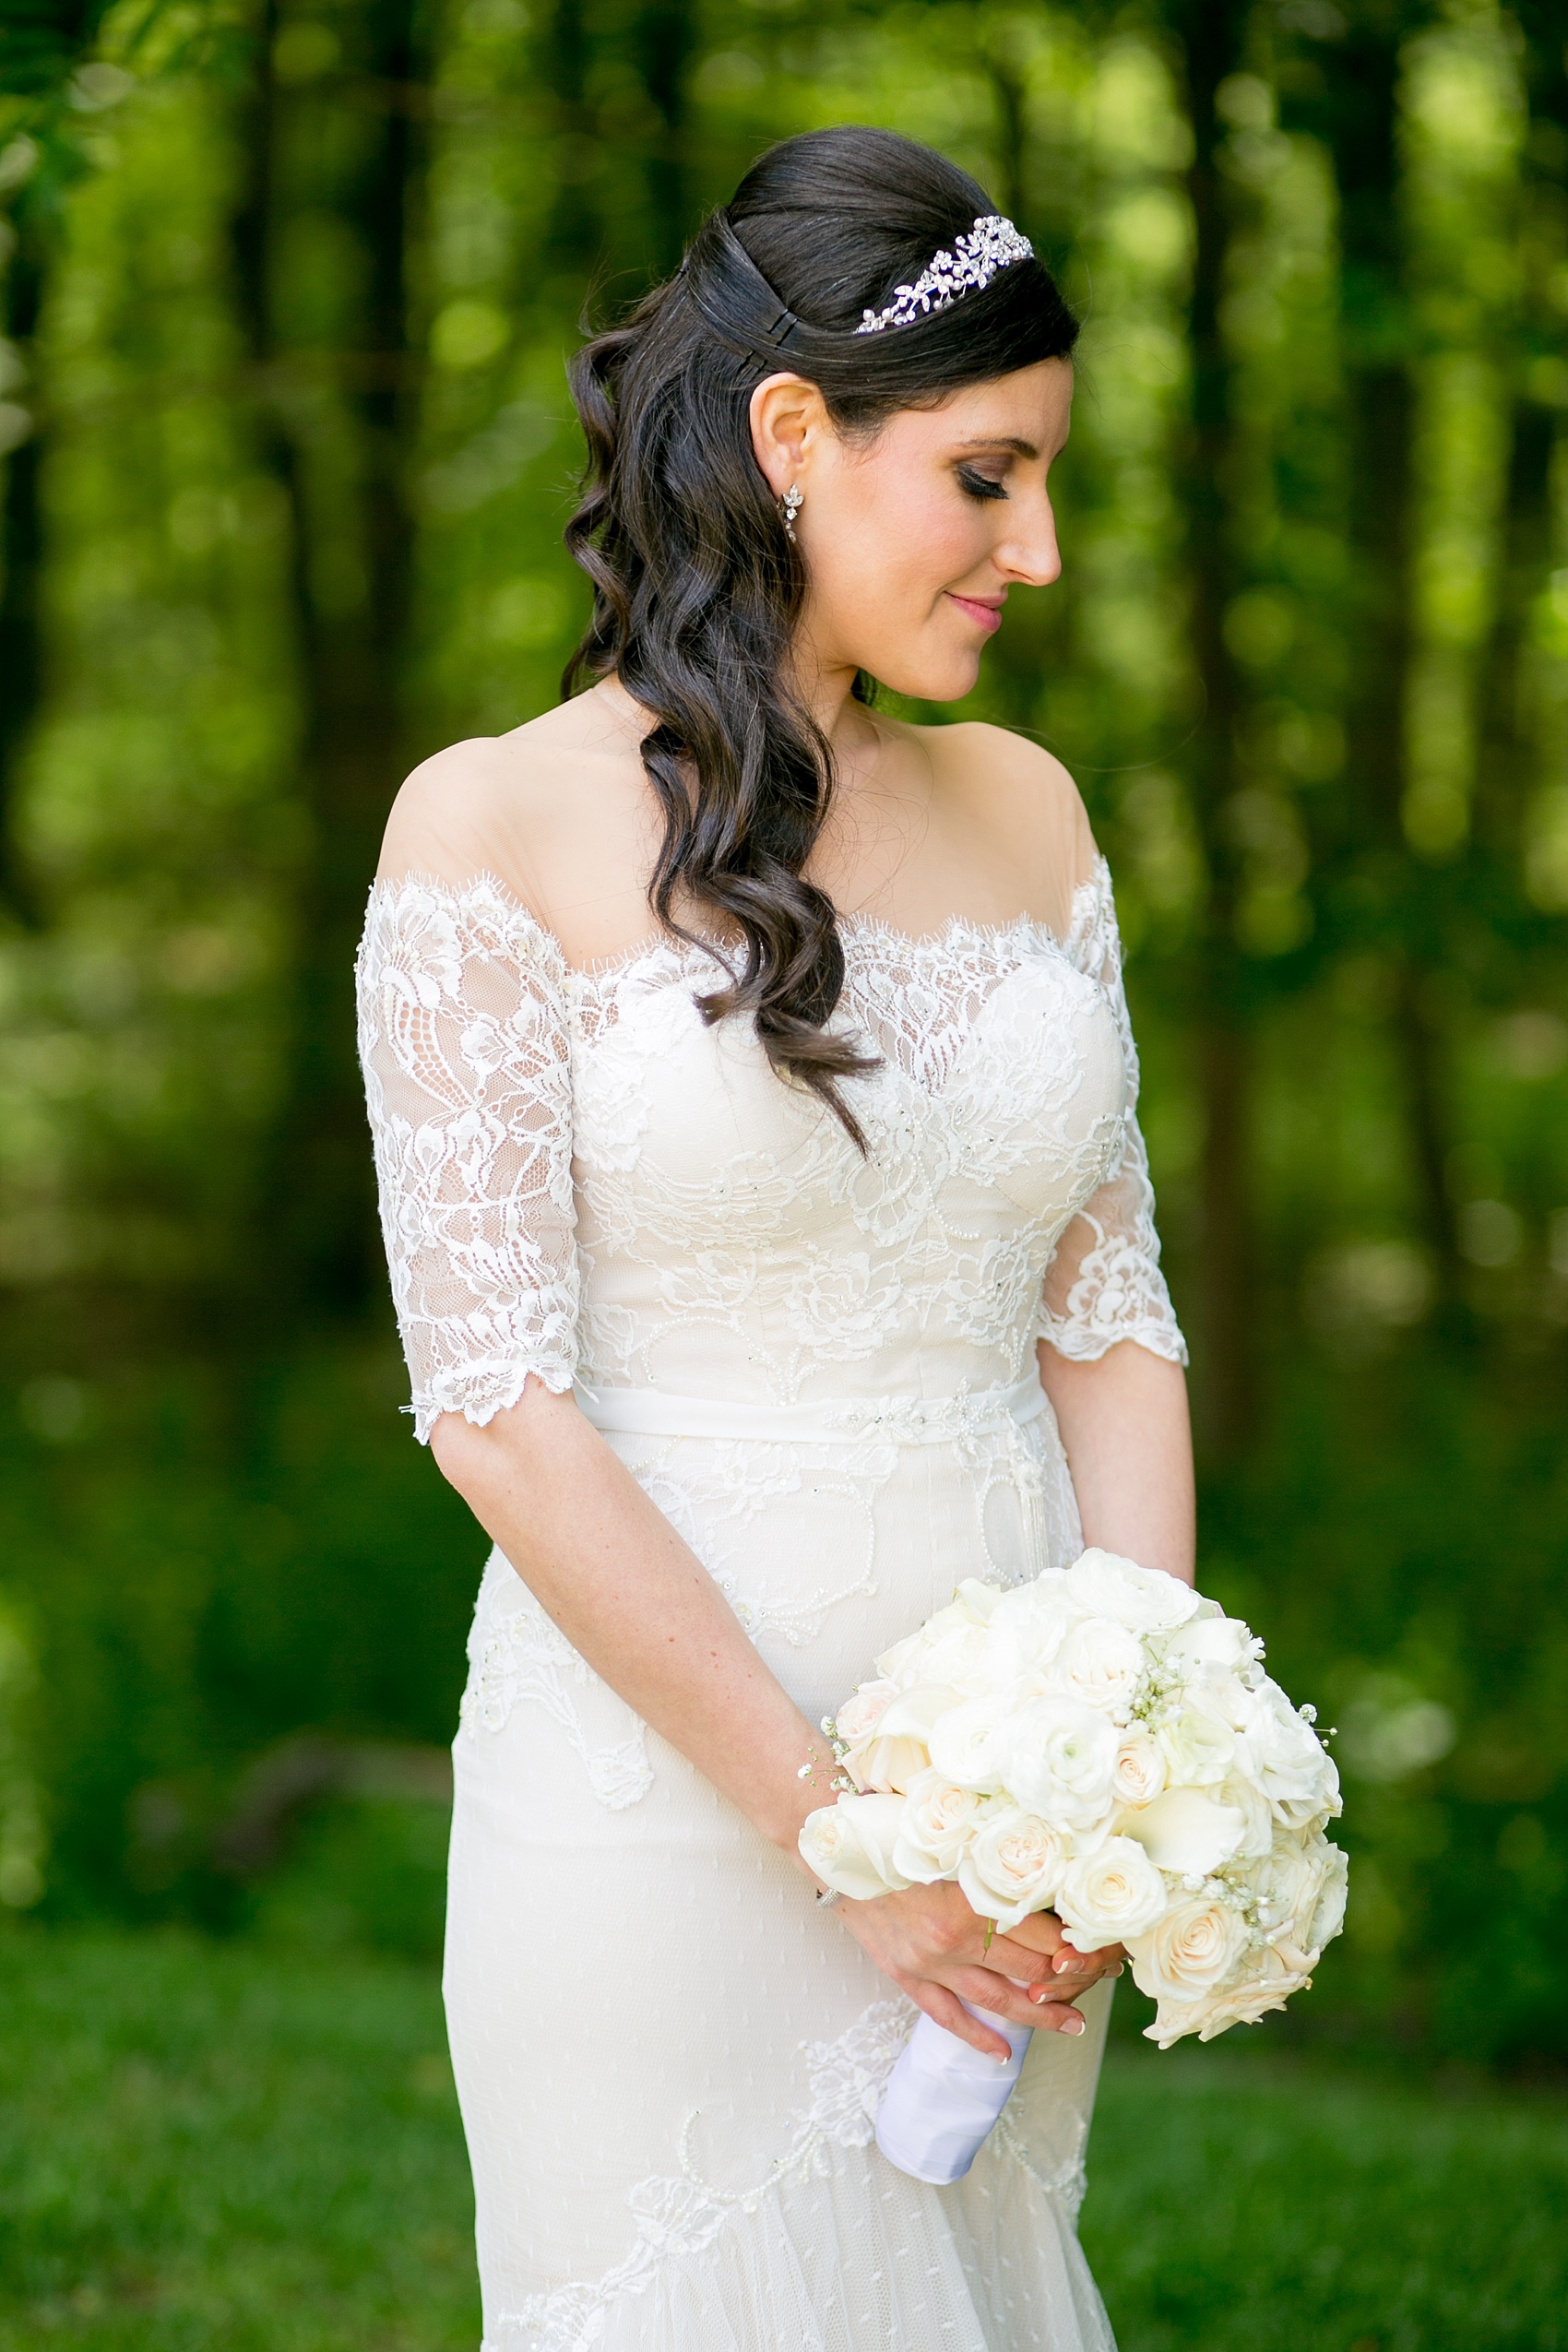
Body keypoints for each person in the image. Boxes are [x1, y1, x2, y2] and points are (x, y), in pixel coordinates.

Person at [358, 124, 1194, 2352]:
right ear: (797, 436)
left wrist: (1133, 1746)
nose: (1040, 545)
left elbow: (1108, 1317)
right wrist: (849, 1847)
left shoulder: (1030, 807)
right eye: (990, 475)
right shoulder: (493, 824)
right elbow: (498, 1412)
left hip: (1013, 1834)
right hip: (666, 1811)